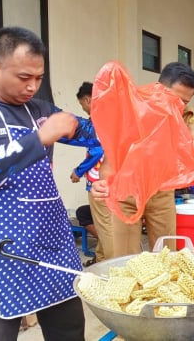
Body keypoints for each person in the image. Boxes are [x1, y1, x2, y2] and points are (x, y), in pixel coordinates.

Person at [0, 26, 102, 340]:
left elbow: (96, 133)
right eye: (24, 77)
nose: (32, 87)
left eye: (39, 78)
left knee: (69, 330)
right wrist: (39, 138)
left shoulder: (42, 110)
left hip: (52, 243)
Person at [92, 62, 194, 258]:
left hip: (162, 193)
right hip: (127, 192)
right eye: (175, 99)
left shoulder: (188, 115)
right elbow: (111, 159)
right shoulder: (134, 108)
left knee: (168, 255)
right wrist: (105, 184)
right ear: (159, 88)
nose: (179, 107)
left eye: (185, 102)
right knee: (123, 259)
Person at [70, 81, 112, 263]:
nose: (84, 109)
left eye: (82, 105)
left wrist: (78, 171)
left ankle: (110, 263)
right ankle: (102, 258)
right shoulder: (110, 118)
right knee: (106, 224)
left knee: (105, 226)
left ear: (87, 99)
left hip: (98, 182)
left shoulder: (97, 121)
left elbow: (97, 151)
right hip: (109, 181)